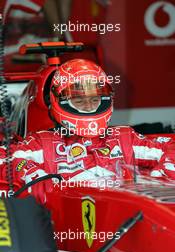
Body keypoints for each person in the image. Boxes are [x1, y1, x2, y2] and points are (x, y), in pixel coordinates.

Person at [1, 58, 175, 203]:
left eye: (94, 100)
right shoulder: (44, 144)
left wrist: (155, 181)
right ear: (60, 102)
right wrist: (32, 174)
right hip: (67, 235)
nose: (88, 106)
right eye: (79, 100)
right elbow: (5, 157)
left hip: (128, 224)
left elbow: (171, 149)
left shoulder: (123, 139)